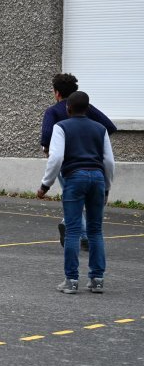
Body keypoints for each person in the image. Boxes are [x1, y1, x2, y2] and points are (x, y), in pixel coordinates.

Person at [37, 91, 114, 294]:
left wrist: (46, 184)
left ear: (68, 108)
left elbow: (56, 158)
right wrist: (106, 186)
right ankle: (97, 279)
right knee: (96, 230)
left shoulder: (61, 127)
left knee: (72, 231)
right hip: (97, 177)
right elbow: (108, 161)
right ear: (88, 109)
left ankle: (71, 280)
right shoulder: (100, 128)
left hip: (75, 177)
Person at [39, 73, 117, 248]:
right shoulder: (87, 109)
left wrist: (48, 150)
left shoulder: (53, 111)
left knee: (72, 195)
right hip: (92, 163)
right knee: (82, 198)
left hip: (66, 163)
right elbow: (109, 126)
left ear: (57, 93)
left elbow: (46, 136)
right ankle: (79, 231)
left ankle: (81, 234)